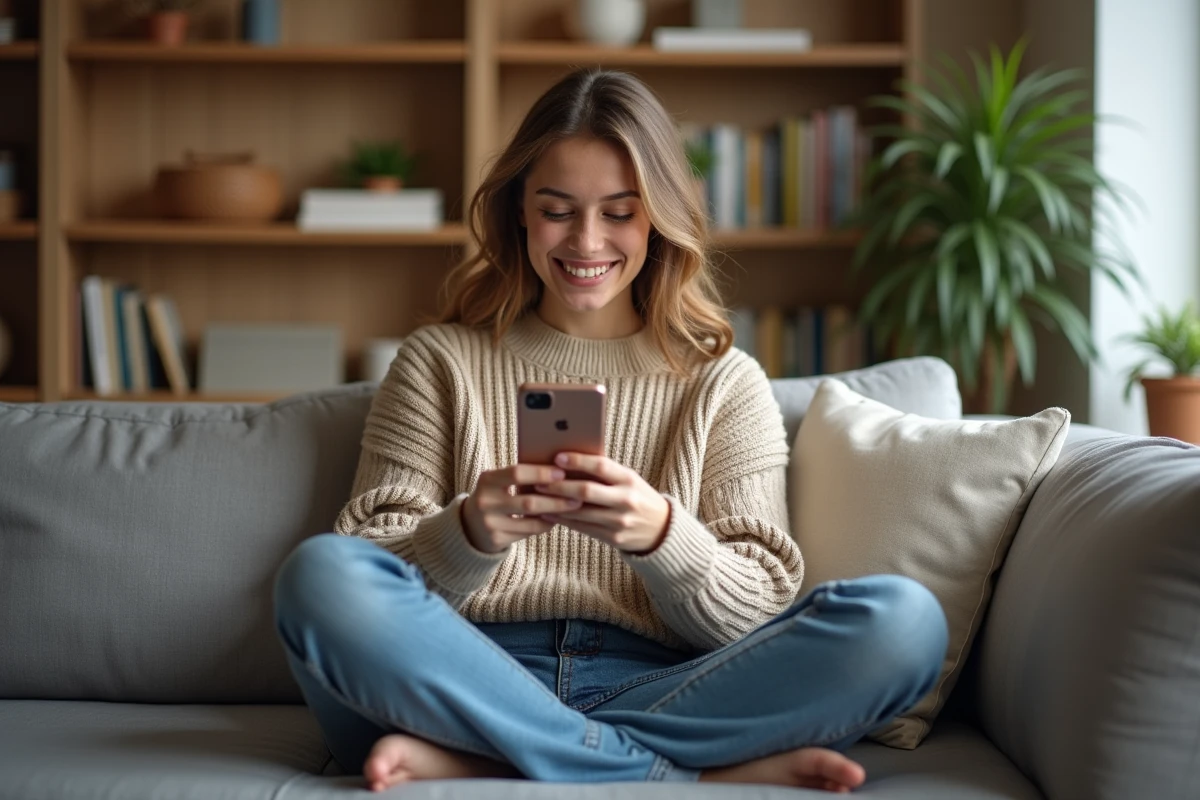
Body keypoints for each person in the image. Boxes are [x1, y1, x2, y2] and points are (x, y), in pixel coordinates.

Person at [272, 68, 948, 794]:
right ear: (520, 214)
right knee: (319, 576)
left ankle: (508, 758)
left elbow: (760, 605)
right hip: (464, 677)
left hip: (666, 685)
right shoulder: (440, 361)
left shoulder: (723, 382)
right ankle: (666, 768)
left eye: (620, 212)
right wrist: (468, 531)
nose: (586, 240)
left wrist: (662, 535)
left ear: (658, 216)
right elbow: (367, 560)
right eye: (557, 210)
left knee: (904, 623)